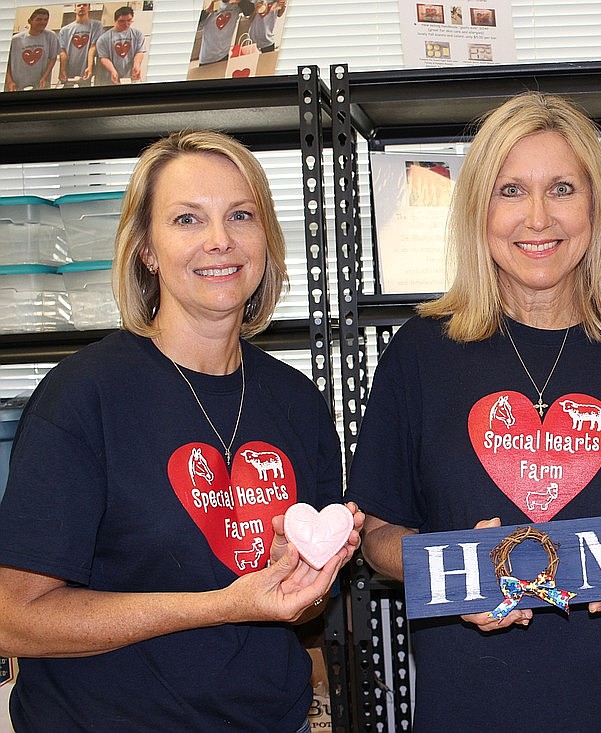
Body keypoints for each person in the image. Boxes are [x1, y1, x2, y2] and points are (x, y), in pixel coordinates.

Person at [345, 91, 601, 731]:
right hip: (474, 704)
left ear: (595, 206)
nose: (538, 217)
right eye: (511, 191)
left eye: (562, 189)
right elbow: (376, 534)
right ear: (478, 210)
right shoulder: (419, 353)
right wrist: (455, 566)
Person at [0, 130, 365, 731]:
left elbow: (300, 614)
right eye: (187, 220)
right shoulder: (84, 396)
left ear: (267, 239)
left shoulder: (297, 401)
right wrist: (221, 606)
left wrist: (306, 576)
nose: (219, 240)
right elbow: (15, 617)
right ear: (146, 249)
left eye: (240, 216)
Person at [4, 8, 60, 92]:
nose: (43, 22)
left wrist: (44, 77)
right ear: (30, 21)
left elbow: (53, 58)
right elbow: (5, 63)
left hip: (40, 85)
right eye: (39, 19)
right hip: (18, 85)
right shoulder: (15, 40)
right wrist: (9, 81)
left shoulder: (51, 36)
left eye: (46, 19)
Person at [94, 5, 147, 85]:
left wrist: (136, 65)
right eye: (122, 21)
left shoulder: (138, 34)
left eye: (129, 20)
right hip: (110, 79)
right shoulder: (103, 39)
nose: (126, 24)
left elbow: (140, 52)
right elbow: (103, 57)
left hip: (131, 77)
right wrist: (113, 71)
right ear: (115, 20)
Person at [57, 3, 103, 87]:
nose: (82, 7)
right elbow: (63, 52)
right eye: (79, 5)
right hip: (69, 70)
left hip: (86, 69)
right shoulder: (65, 30)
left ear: (89, 8)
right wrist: (62, 69)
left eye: (84, 5)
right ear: (74, 9)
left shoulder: (96, 25)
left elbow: (93, 47)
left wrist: (90, 67)